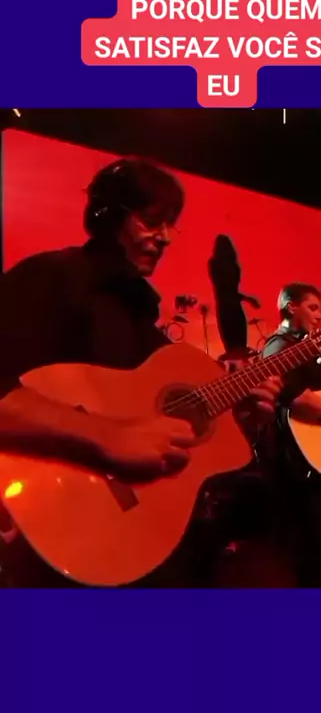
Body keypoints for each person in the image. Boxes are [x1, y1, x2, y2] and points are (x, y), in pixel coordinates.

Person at [0, 158, 280, 586]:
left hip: (136, 544)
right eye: (151, 222)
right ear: (109, 215)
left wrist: (237, 414)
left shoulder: (142, 321)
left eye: (170, 225)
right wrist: (108, 435)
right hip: (53, 541)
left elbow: (159, 422)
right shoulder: (54, 277)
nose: (164, 237)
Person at [260, 282, 321, 586]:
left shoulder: (305, 346)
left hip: (315, 456)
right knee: (313, 545)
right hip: (298, 461)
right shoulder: (278, 346)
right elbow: (291, 393)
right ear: (291, 307)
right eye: (312, 307)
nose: (319, 315)